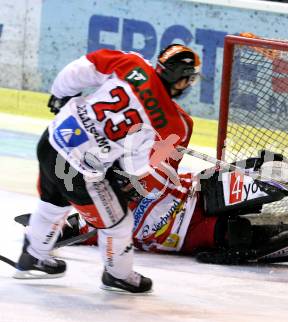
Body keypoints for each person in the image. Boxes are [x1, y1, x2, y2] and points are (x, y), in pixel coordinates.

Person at [14, 44, 201, 294]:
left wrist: (60, 93)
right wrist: (127, 181)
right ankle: (119, 275)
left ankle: (33, 256)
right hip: (81, 171)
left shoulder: (133, 64)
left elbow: (84, 67)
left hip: (53, 139)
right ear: (181, 80)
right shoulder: (172, 123)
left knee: (53, 202)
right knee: (118, 223)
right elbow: (146, 167)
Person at [48, 150, 288, 266]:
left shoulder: (142, 168)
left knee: (257, 179)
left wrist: (166, 145)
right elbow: (76, 227)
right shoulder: (104, 215)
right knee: (238, 237)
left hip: (201, 193)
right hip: (193, 234)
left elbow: (167, 145)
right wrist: (47, 235)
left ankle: (286, 173)